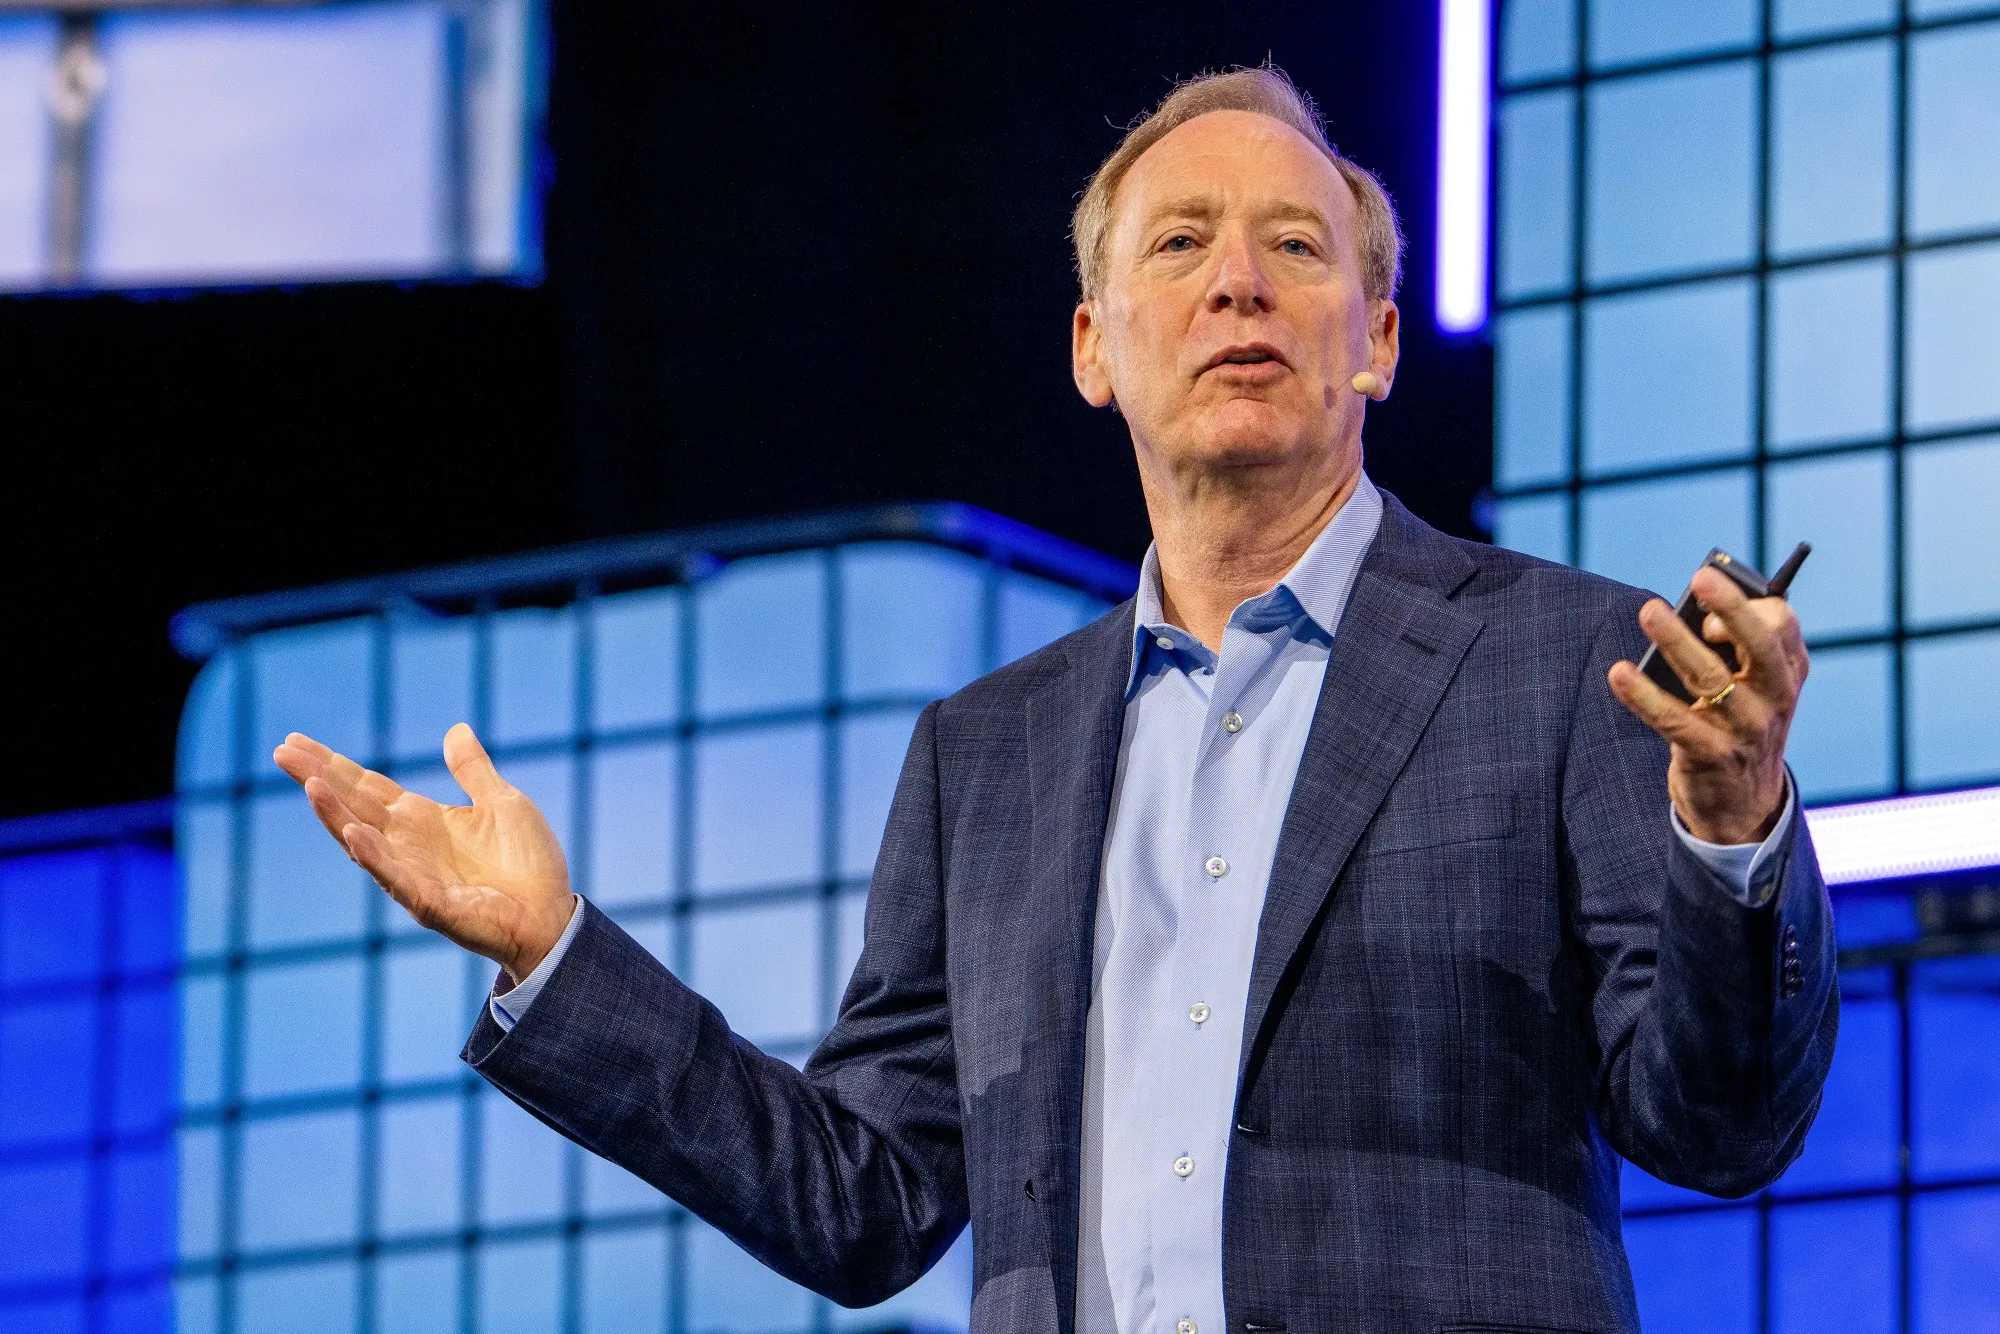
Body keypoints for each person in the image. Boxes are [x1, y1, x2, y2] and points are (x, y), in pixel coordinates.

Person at [275, 65, 1835, 1334]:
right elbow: (863, 1200)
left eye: (1298, 247)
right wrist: (556, 957)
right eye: (1182, 245)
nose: (1239, 280)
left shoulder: (1563, 662)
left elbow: (1717, 1124)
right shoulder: (985, 754)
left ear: (1375, 341)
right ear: (1096, 349)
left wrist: (1734, 827)